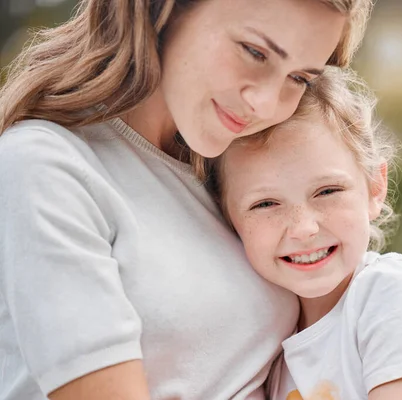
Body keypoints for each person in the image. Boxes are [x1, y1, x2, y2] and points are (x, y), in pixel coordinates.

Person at [0, 1, 374, 399]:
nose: (266, 103)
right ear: (167, 10)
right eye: (254, 52)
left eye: (299, 77)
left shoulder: (233, 174)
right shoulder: (48, 166)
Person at [205, 67, 402, 399]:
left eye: (327, 191)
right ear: (228, 218)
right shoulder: (272, 348)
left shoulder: (392, 294)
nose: (305, 228)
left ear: (375, 187)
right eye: (265, 204)